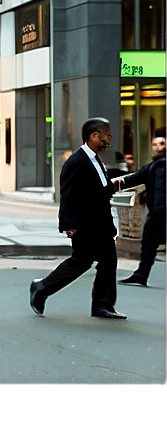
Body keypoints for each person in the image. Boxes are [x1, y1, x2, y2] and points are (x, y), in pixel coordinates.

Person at [30, 117, 126, 319]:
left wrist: (120, 184)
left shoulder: (95, 160)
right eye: (107, 135)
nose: (109, 139)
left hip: (101, 224)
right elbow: (69, 194)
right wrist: (69, 224)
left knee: (109, 261)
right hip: (85, 224)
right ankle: (41, 288)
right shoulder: (77, 161)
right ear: (94, 135)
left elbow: (102, 190)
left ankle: (102, 306)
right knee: (81, 261)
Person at [114, 127, 165, 286]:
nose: (159, 147)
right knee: (148, 243)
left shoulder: (157, 166)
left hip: (159, 212)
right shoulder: (152, 166)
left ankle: (141, 274)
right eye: (155, 144)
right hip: (157, 212)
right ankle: (141, 274)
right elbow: (132, 179)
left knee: (149, 242)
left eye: (162, 143)